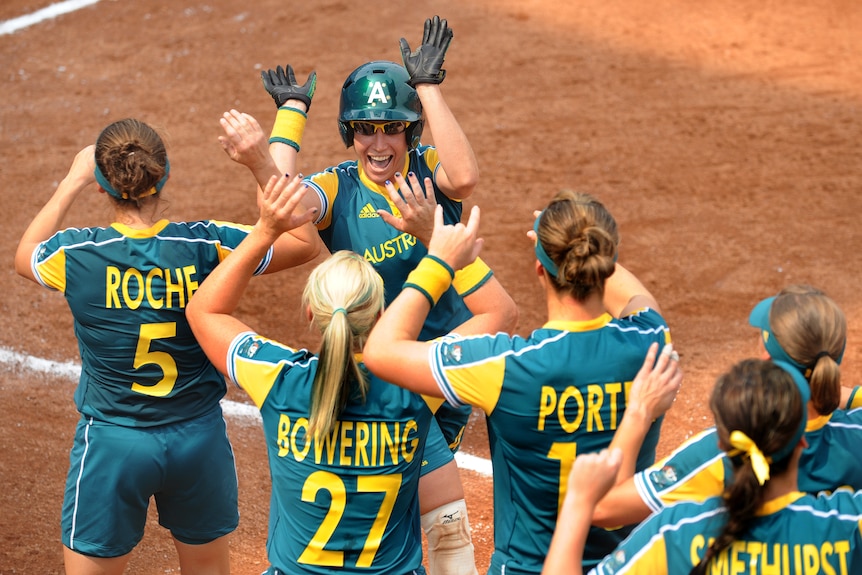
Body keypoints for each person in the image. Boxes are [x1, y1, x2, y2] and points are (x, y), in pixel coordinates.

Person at [222, 15, 519, 575]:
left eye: (392, 128)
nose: (378, 143)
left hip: (438, 369)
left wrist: (428, 86)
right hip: (375, 377)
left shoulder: (429, 172)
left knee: (416, 503)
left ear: (411, 132)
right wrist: (283, 125)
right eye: (365, 128)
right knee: (424, 511)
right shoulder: (339, 184)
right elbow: (286, 207)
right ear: (348, 131)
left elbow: (466, 176)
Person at [13, 118, 320, 575]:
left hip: (112, 443)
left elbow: (24, 255)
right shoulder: (203, 243)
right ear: (164, 174)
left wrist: (72, 181)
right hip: (198, 440)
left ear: (102, 186)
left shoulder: (75, 254)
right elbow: (302, 242)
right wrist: (259, 164)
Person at [184, 179, 510, 574]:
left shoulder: (277, 379)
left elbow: (204, 311)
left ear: (311, 315)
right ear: (378, 315)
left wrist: (265, 231)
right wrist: (435, 246)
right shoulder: (414, 385)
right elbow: (499, 314)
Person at [363, 189, 683, 573]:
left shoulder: (505, 367)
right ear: (605, 262)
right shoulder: (650, 340)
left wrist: (440, 258)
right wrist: (577, 235)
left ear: (539, 270)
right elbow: (636, 299)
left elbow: (381, 351)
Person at [543, 358, 862, 574]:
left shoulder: (675, 533)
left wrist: (576, 504)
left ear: (721, 444)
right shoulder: (846, 522)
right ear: (803, 440)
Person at [589, 284, 862, 530]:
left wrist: (639, 411)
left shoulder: (729, 449)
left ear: (766, 356)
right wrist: (831, 392)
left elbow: (604, 509)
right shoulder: (855, 431)